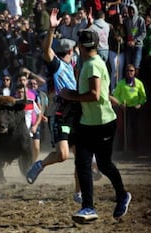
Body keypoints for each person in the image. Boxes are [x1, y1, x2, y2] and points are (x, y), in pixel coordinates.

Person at [61, 28, 131, 224]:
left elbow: (94, 94)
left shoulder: (91, 65)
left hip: (101, 123)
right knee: (83, 164)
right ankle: (88, 207)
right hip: (89, 123)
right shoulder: (96, 62)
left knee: (103, 164)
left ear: (80, 47)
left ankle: (122, 195)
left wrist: (70, 95)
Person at [26, 8, 78, 184]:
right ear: (69, 52)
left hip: (75, 112)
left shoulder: (72, 65)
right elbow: (46, 50)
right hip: (60, 114)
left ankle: (80, 193)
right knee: (62, 155)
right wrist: (51, 30)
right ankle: (39, 165)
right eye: (73, 50)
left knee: (82, 157)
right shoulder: (57, 65)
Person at [112, 63, 147, 151]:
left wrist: (140, 103)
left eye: (131, 71)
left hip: (134, 108)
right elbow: (115, 95)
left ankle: (135, 146)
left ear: (135, 72)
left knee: (134, 127)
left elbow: (143, 97)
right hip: (124, 108)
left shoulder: (139, 83)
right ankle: (121, 146)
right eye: (127, 71)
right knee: (122, 128)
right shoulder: (121, 83)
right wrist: (120, 104)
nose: (129, 72)